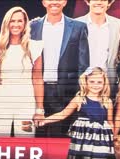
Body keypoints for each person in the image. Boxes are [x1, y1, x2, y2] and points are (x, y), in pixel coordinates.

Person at [30, 0, 90, 137]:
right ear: (44, 2)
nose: (54, 2)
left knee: (60, 136)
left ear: (64, 2)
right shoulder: (32, 26)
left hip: (66, 92)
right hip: (37, 89)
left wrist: (80, 93)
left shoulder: (79, 27)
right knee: (37, 134)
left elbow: (83, 64)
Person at [39, 67, 115, 159]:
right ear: (86, 82)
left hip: (101, 140)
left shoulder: (107, 101)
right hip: (83, 139)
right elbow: (63, 114)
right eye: (92, 81)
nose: (96, 85)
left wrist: (113, 138)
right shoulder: (79, 99)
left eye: (99, 82)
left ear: (104, 83)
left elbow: (110, 122)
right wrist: (45, 120)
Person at [0, 6, 44, 137]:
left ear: (25, 23)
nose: (16, 24)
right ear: (6, 23)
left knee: (26, 139)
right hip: (1, 99)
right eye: (12, 21)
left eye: (20, 21)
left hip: (26, 101)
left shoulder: (34, 46)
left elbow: (37, 79)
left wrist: (39, 109)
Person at [76, 0, 120, 97]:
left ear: (109, 3)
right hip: (80, 83)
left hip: (108, 83)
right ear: (88, 2)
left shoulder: (119, 25)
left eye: (103, 0)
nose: (99, 2)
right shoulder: (76, 23)